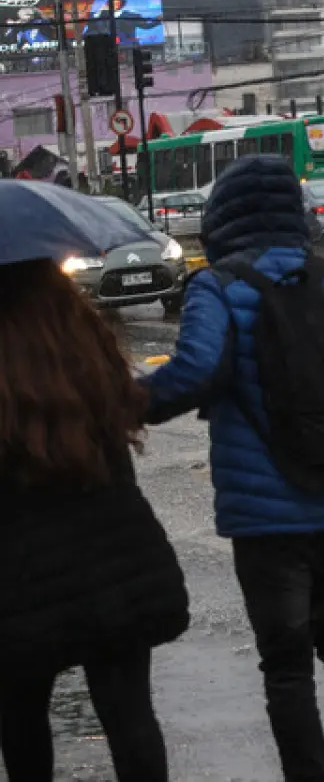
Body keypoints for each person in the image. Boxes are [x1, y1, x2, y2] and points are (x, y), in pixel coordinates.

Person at [140, 155, 324, 782]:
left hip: (264, 515)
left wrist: (116, 404)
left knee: (286, 663)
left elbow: (193, 373)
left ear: (223, 219)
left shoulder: (218, 287)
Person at [0, 257, 189, 780]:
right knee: (130, 715)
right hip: (113, 560)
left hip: (19, 574)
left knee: (19, 717)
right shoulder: (81, 335)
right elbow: (126, 414)